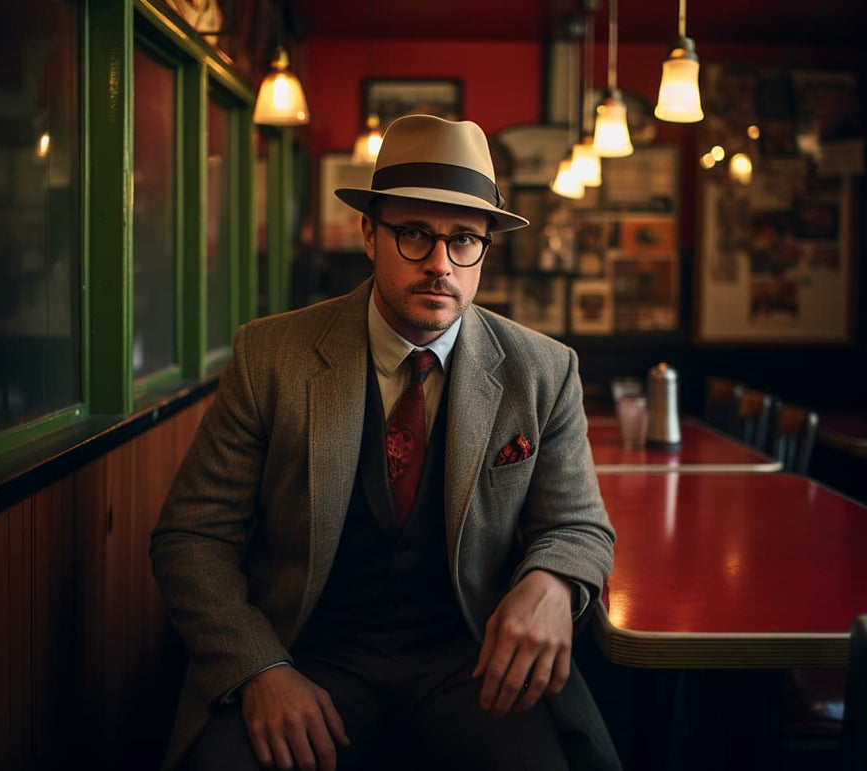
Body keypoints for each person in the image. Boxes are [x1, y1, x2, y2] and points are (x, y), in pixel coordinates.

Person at [151, 114, 620, 771]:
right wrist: (260, 667)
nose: (439, 263)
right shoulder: (272, 355)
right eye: (414, 234)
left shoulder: (543, 371)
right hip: (307, 650)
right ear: (369, 233)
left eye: (464, 240)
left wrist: (552, 577)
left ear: (487, 249)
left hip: (471, 659)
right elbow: (191, 536)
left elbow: (581, 526)